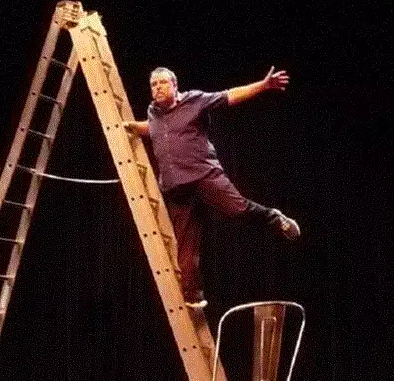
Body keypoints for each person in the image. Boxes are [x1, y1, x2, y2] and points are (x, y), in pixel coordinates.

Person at [122, 65, 300, 309]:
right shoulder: (153, 113)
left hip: (204, 176)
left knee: (237, 209)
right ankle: (193, 295)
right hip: (177, 188)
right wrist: (133, 127)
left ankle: (274, 218)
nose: (157, 88)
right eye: (153, 85)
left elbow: (230, 96)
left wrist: (263, 85)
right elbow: (154, 129)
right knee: (185, 247)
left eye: (162, 83)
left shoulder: (195, 101)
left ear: (175, 85)